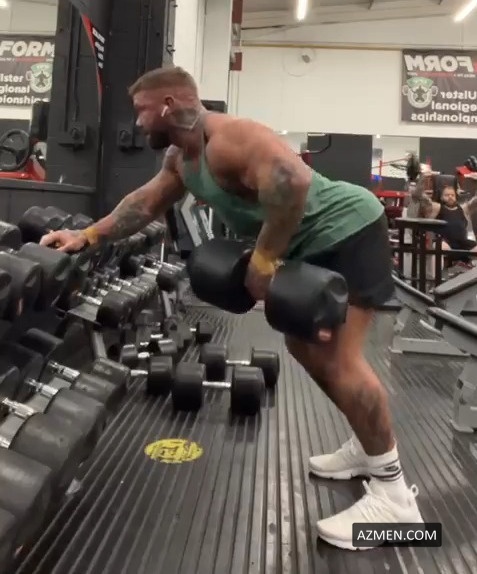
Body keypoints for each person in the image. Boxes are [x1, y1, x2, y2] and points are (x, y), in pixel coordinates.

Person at [40, 66, 423, 550]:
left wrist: (263, 261)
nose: (137, 123)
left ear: (167, 105)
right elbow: (145, 204)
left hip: (348, 229)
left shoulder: (230, 139)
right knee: (304, 349)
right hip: (309, 244)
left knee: (338, 361)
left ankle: (394, 499)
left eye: (141, 111)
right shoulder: (181, 158)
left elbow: (292, 182)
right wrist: (88, 235)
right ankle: (368, 449)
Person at [411, 178, 477, 266]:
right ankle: (437, 272)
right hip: (444, 243)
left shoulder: (463, 209)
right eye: (447, 195)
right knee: (439, 246)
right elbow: (418, 195)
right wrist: (423, 179)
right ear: (441, 197)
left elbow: (475, 201)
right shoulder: (437, 208)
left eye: (452, 195)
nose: (450, 197)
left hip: (462, 243)